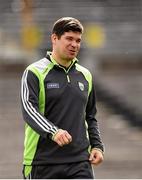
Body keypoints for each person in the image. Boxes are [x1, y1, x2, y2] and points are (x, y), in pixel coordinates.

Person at [21, 17, 104, 179]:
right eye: (69, 39)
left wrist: (97, 146)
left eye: (78, 40)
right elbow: (29, 110)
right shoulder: (34, 72)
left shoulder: (85, 75)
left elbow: (90, 116)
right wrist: (54, 132)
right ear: (54, 38)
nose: (74, 44)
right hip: (43, 162)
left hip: (80, 162)